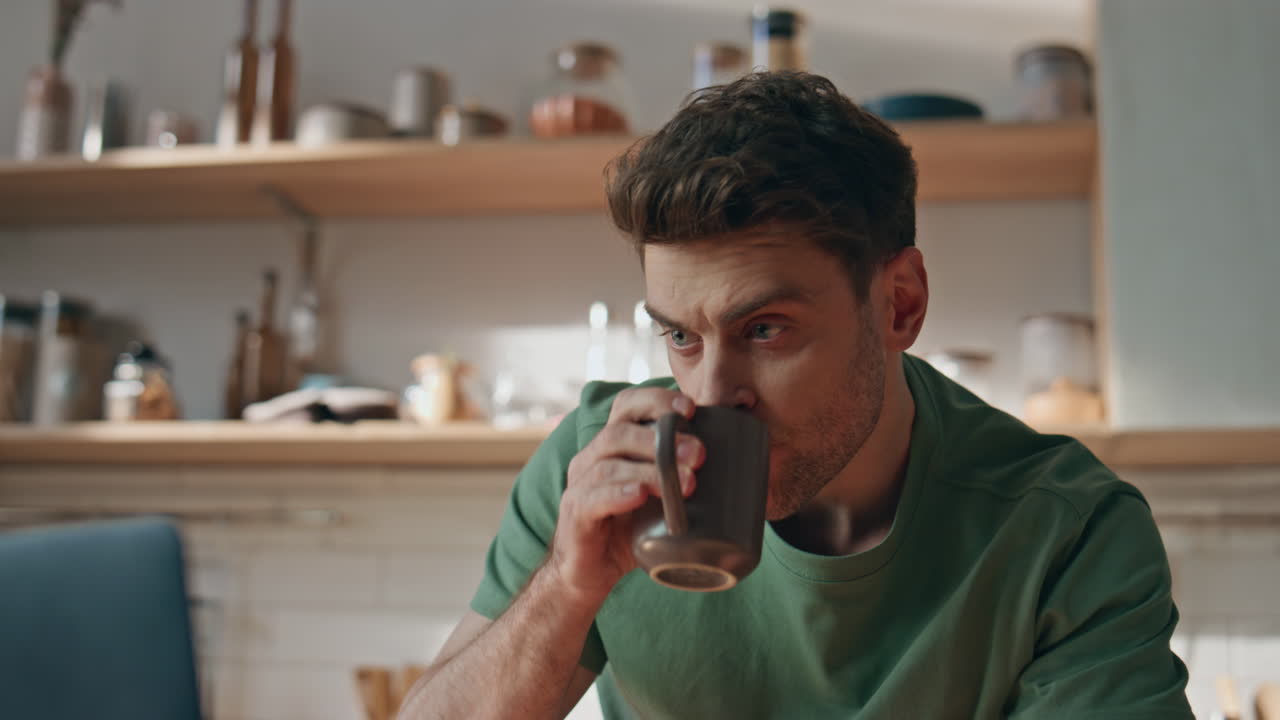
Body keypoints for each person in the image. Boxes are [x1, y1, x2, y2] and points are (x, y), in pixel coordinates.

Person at [398, 71, 1193, 719]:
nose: (712, 393)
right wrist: (567, 590)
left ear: (900, 305)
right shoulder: (599, 469)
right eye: (680, 336)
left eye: (766, 330)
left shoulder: (1067, 531)